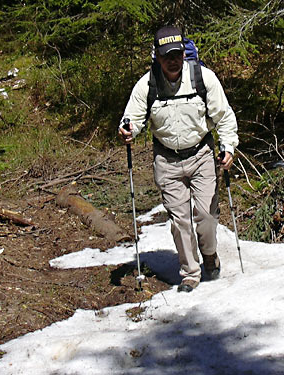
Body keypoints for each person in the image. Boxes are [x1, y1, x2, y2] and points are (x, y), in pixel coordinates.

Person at [119, 26, 238, 292]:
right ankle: (190, 274)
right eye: (166, 55)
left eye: (177, 54)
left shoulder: (202, 78)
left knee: (206, 216)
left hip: (201, 155)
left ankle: (209, 254)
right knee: (179, 220)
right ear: (157, 57)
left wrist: (228, 146)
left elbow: (225, 116)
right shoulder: (147, 84)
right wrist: (128, 129)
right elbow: (133, 118)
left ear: (184, 53)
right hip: (166, 160)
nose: (172, 60)